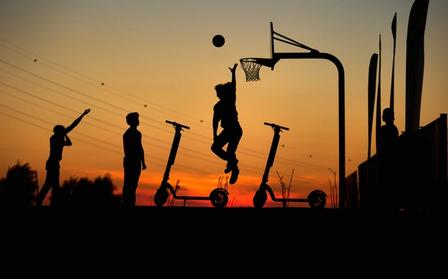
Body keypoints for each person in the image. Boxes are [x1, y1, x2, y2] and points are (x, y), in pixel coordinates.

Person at [36, 109, 91, 206]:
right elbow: (69, 140)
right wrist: (66, 134)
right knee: (52, 184)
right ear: (59, 131)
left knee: (51, 184)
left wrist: (83, 115)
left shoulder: (58, 137)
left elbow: (73, 127)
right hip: (53, 163)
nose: (65, 130)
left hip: (54, 163)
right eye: (63, 130)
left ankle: (43, 201)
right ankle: (42, 201)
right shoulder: (54, 138)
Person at [211, 63, 243, 184]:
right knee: (215, 148)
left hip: (235, 130)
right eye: (217, 94)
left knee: (230, 152)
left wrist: (234, 74)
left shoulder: (230, 99)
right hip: (227, 131)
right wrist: (214, 134)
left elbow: (234, 86)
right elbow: (214, 121)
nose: (217, 95)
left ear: (223, 93)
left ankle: (233, 166)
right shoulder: (217, 106)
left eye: (218, 93)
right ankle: (233, 164)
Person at [122, 112, 147, 207]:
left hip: (136, 162)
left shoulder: (138, 134)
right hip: (130, 162)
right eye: (136, 119)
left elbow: (140, 148)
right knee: (129, 184)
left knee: (133, 185)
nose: (138, 121)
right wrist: (136, 161)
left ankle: (131, 203)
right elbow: (129, 150)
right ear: (131, 121)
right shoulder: (127, 134)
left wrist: (143, 162)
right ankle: (126, 203)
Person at [379, 107, 399, 209]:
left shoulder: (388, 129)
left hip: (388, 163)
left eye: (384, 114)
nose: (382, 116)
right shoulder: (392, 129)